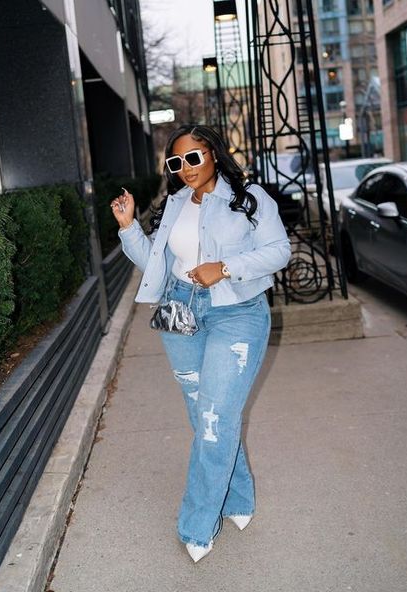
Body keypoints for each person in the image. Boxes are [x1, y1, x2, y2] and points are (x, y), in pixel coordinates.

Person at [110, 124, 290, 563]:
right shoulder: (172, 204)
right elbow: (156, 261)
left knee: (215, 417)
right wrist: (129, 227)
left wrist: (225, 266)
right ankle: (239, 499)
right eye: (176, 162)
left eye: (193, 157)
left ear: (213, 154)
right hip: (180, 310)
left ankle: (197, 524)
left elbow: (279, 251)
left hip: (237, 313)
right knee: (205, 414)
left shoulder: (248, 198)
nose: (185, 168)